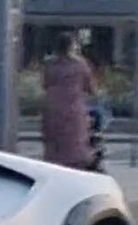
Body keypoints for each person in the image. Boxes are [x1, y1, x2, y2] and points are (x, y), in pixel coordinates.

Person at [40, 34, 99, 169]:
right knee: (74, 139)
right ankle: (74, 165)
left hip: (52, 106)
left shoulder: (50, 64)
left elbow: (45, 83)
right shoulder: (80, 64)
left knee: (54, 140)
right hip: (73, 106)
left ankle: (53, 164)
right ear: (72, 46)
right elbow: (90, 86)